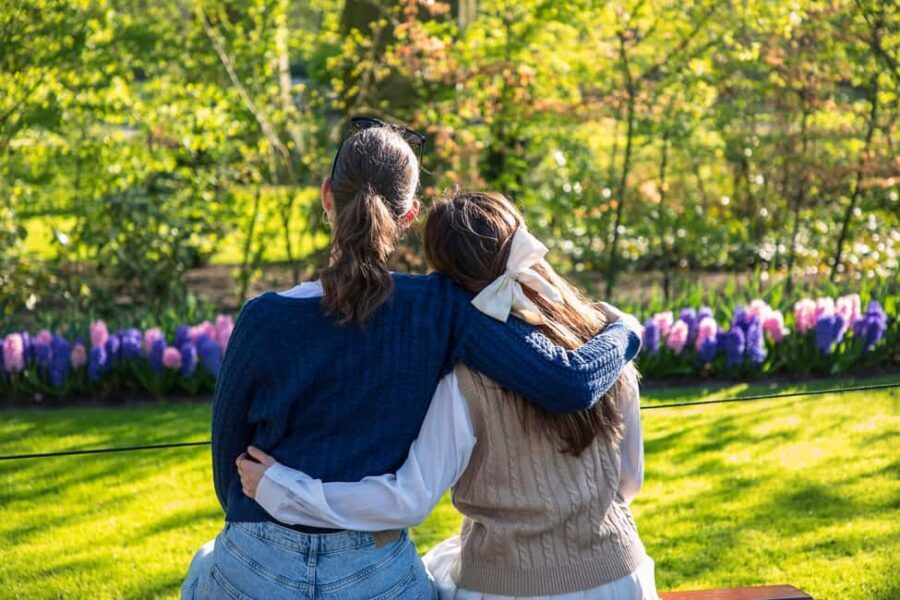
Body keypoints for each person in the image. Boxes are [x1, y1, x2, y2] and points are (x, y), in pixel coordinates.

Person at [181, 120, 643, 600]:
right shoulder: (440, 306)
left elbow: (227, 477)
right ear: (409, 216)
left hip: (255, 559)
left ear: (326, 197)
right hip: (375, 571)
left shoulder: (262, 318)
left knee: (202, 567)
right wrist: (625, 330)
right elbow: (568, 384)